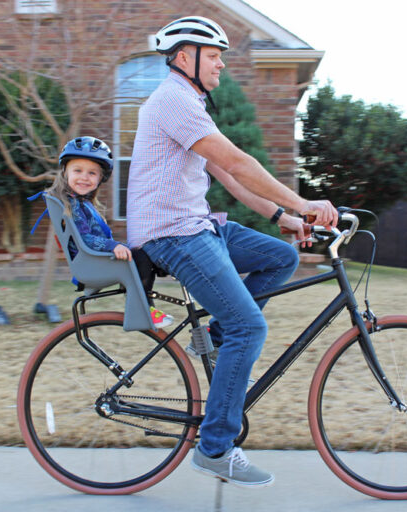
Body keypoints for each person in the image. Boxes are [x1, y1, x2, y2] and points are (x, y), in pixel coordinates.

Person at [126, 16, 337, 487]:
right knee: (250, 327)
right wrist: (304, 202)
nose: (222, 64)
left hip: (196, 225)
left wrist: (284, 218)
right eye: (215, 55)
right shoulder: (172, 101)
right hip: (172, 234)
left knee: (281, 257)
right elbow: (239, 162)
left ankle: (222, 338)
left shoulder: (190, 104)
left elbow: (231, 176)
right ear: (185, 57)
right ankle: (216, 448)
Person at [47, 136, 173, 329]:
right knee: (139, 254)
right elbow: (85, 239)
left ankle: (161, 273)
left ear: (100, 178)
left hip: (94, 260)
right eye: (78, 170)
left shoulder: (83, 204)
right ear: (65, 172)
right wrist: (113, 246)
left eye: (92, 173)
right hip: (90, 263)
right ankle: (144, 310)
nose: (84, 177)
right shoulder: (71, 204)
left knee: (142, 250)